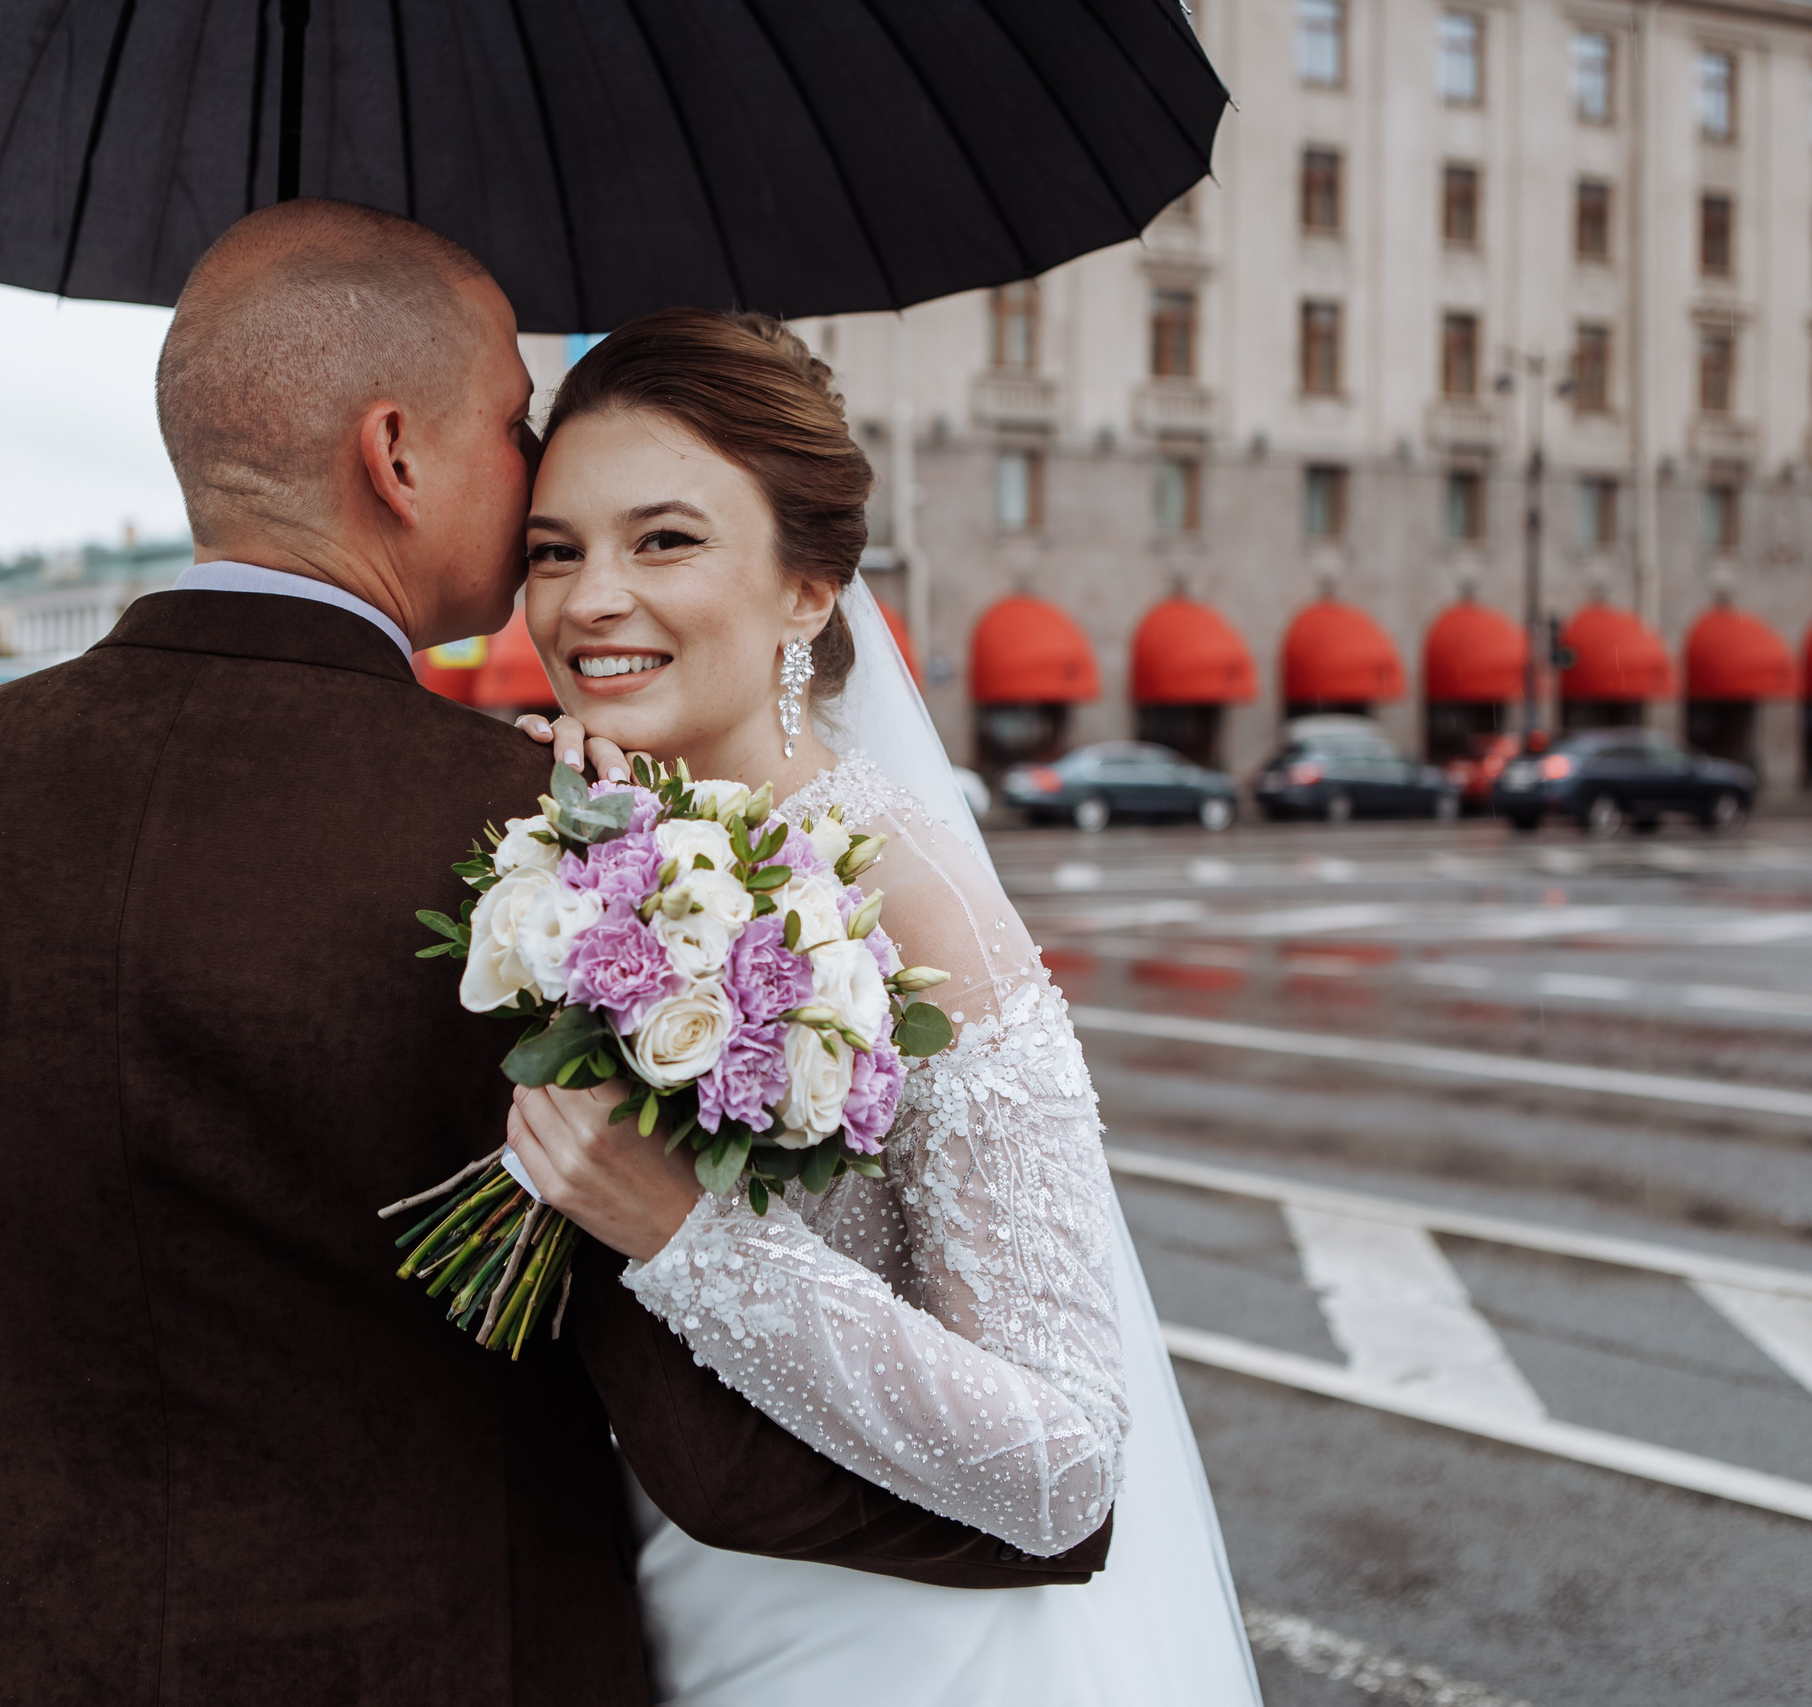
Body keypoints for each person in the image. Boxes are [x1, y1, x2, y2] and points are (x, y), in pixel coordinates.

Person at [0, 202, 1109, 1707]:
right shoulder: (561, 849)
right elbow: (710, 1458)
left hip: (10, 1653)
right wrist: (1043, 1544)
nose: (530, 466)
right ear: (397, 455)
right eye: (512, 424)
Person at [498, 309, 1264, 1706]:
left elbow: (1064, 1462)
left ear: (808, 590)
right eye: (555, 551)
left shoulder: (913, 898)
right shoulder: (585, 839)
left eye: (662, 541)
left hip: (897, 1646)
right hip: (673, 1596)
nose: (588, 599)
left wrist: (681, 1229)